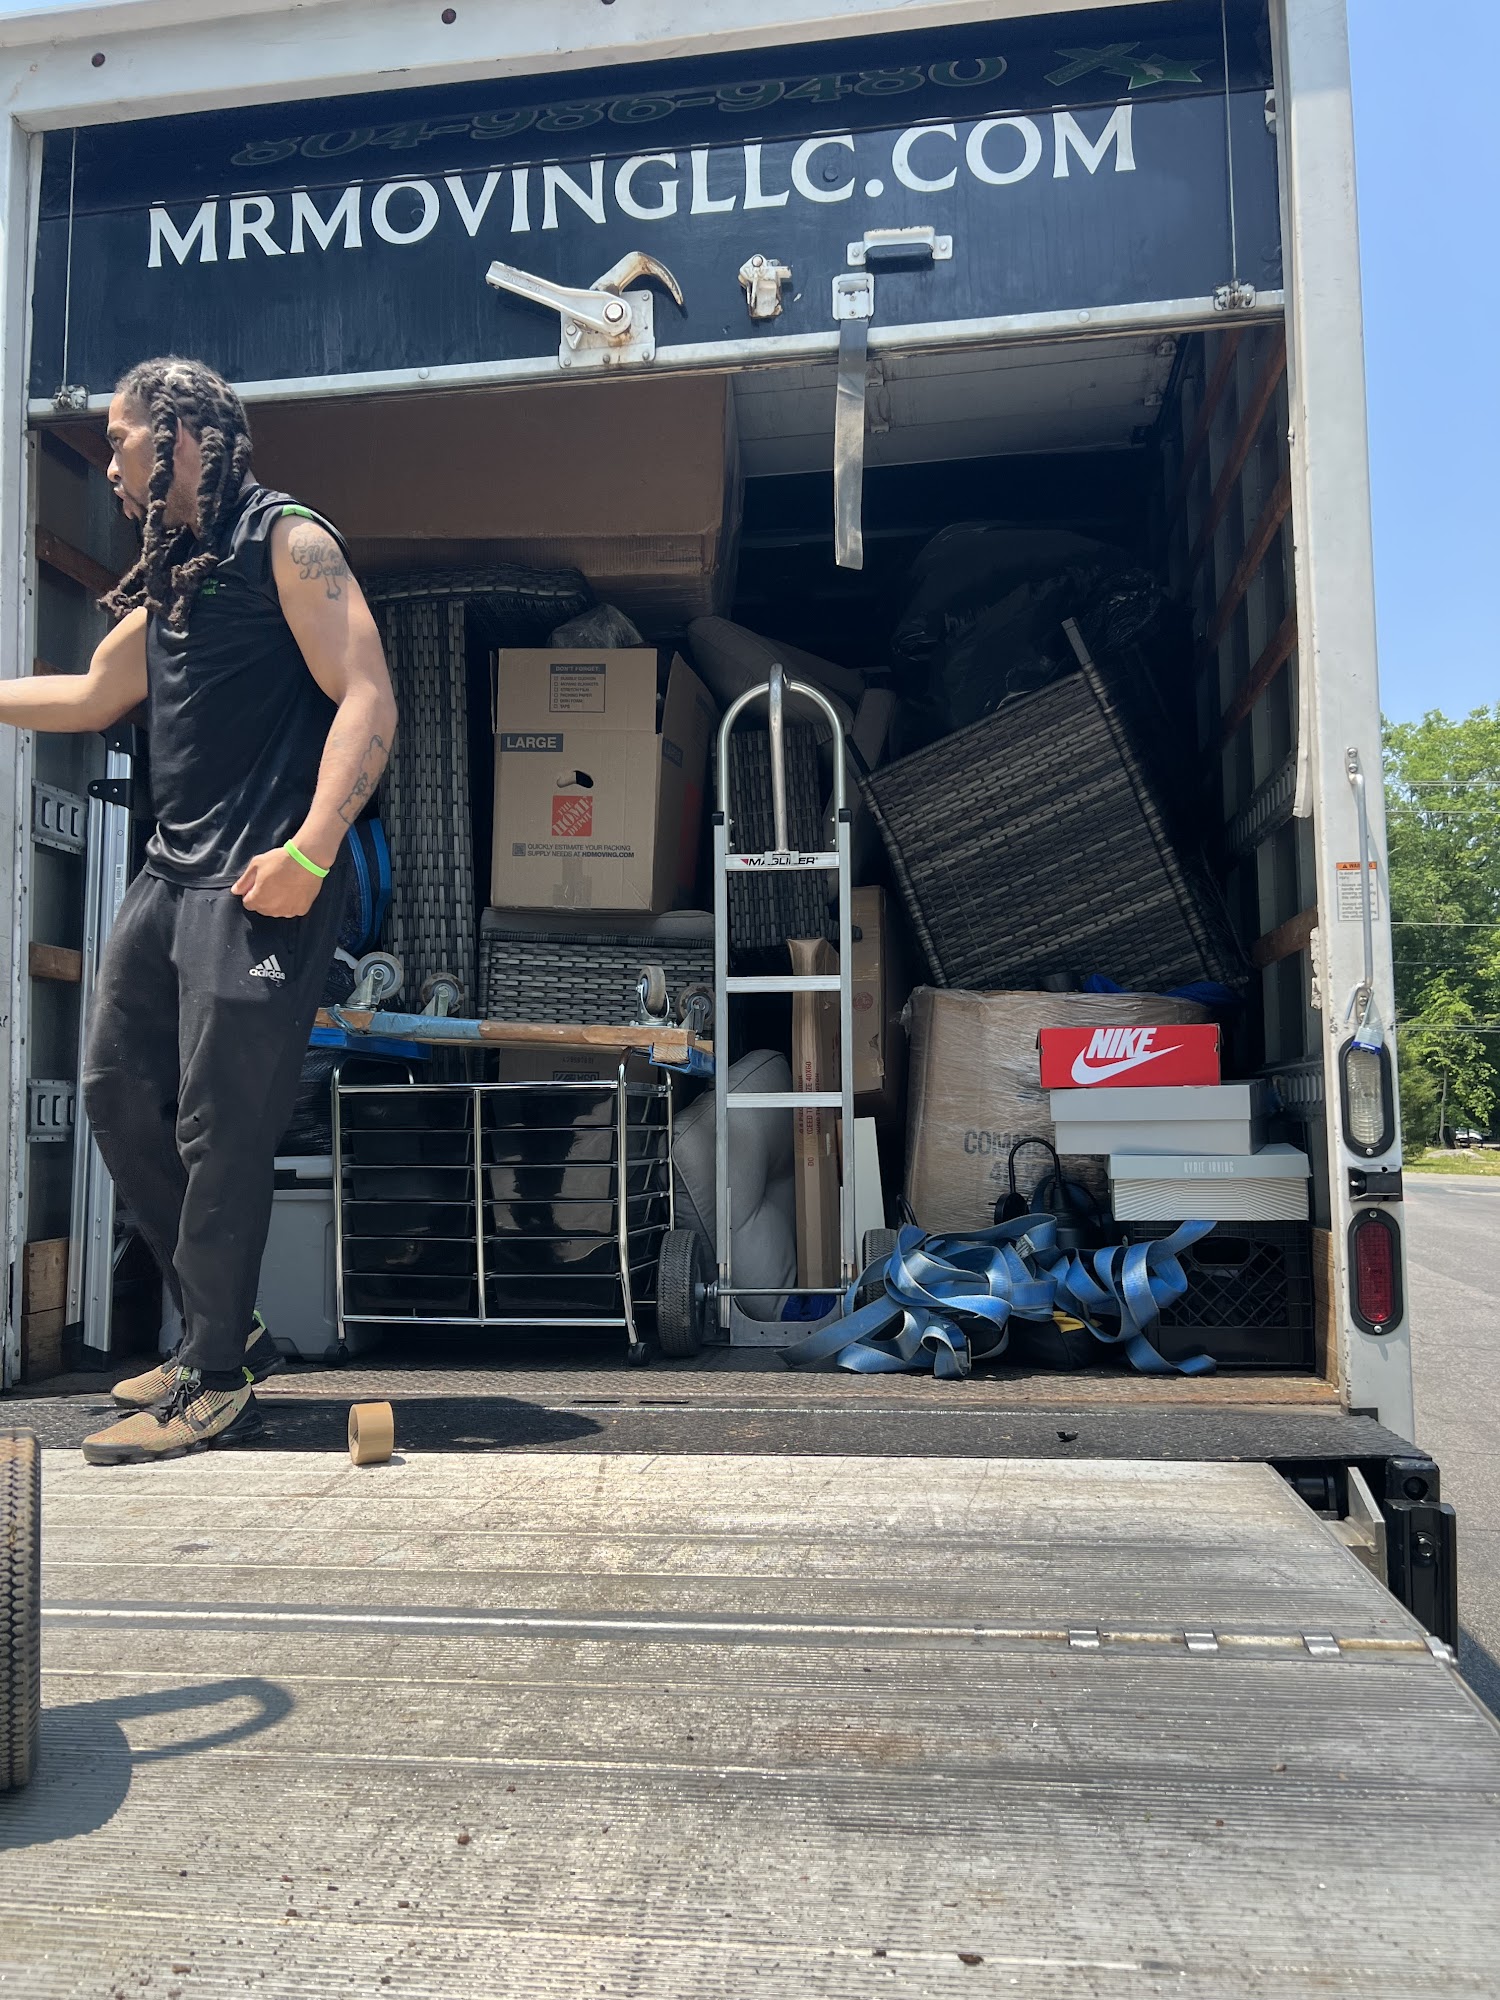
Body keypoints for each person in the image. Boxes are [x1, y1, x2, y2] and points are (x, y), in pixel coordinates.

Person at [0, 356, 396, 1464]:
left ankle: (214, 1374)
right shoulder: (177, 572)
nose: (110, 463)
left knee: (221, 1123)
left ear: (176, 436)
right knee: (114, 1091)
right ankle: (227, 1328)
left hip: (263, 879)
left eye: (120, 440)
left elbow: (368, 694)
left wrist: (313, 851)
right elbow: (91, 695)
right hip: (171, 876)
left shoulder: (289, 542)